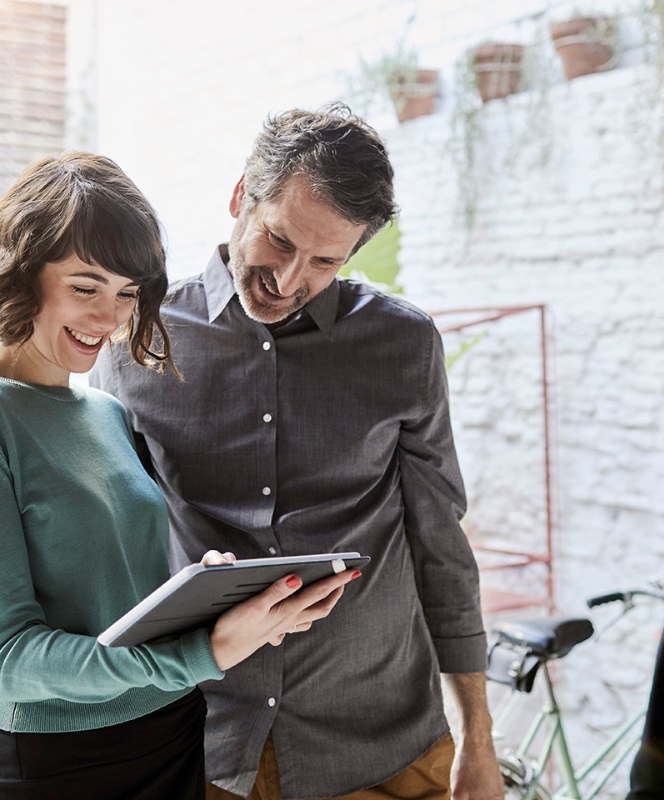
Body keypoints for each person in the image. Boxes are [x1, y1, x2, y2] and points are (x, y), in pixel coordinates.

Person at [0, 151, 359, 800]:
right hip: (56, 764)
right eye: (85, 286)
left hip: (171, 731)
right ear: (23, 274)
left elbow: (119, 601)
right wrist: (200, 655)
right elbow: (6, 659)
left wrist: (209, 600)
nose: (109, 317)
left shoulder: (106, 411)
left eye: (127, 293)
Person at [90, 105, 505, 799]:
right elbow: (106, 548)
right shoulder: (138, 340)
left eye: (325, 261)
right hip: (203, 745)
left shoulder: (403, 345)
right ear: (240, 196)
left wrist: (479, 740)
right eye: (278, 240)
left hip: (385, 752)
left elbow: (440, 544)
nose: (287, 278)